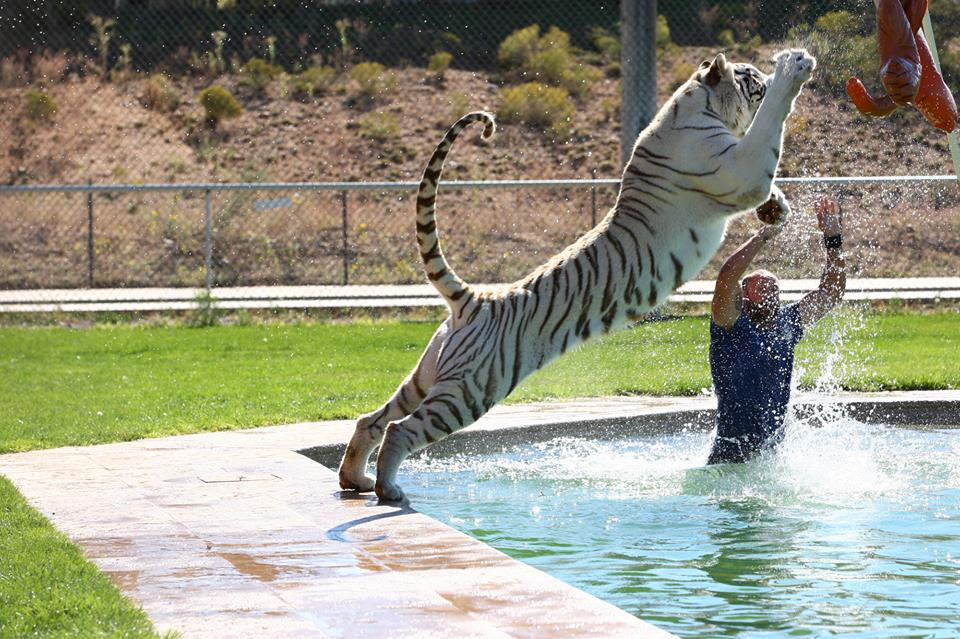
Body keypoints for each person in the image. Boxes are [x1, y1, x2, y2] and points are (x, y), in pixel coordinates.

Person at [707, 196, 846, 464]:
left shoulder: (787, 324)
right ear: (743, 297)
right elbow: (726, 277)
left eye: (774, 289)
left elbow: (832, 293)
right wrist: (764, 236)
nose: (770, 293)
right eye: (762, 288)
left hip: (771, 459)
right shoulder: (729, 325)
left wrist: (833, 237)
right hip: (729, 458)